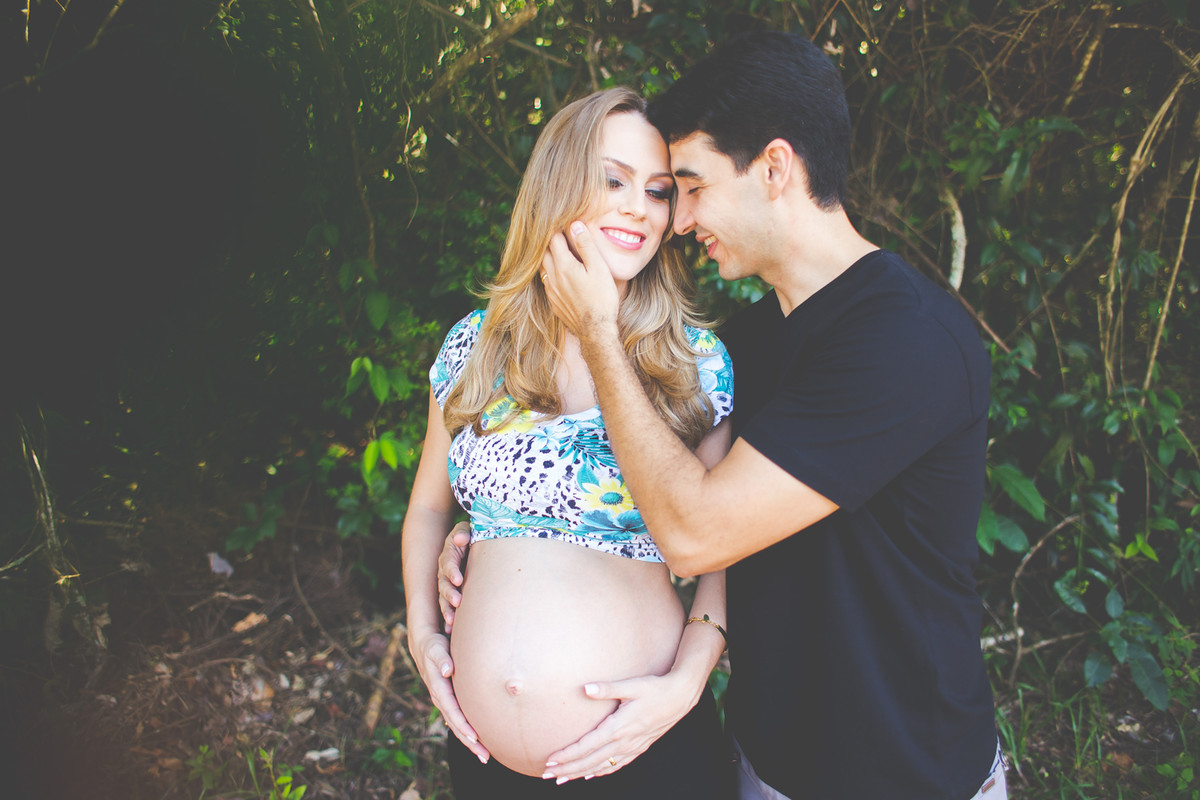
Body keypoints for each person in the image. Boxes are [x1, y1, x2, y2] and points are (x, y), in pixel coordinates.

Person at [531, 31, 1007, 800]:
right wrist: (499, 531)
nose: (678, 221)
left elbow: (693, 532)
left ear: (776, 168)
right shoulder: (746, 344)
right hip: (766, 761)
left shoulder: (907, 340)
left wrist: (598, 333)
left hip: (907, 775)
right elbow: (640, 486)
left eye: (692, 185)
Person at [400, 87, 737, 799]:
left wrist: (687, 681)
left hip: (644, 748)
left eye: (657, 191)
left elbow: (725, 553)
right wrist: (421, 632)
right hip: (489, 762)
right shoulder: (475, 346)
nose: (638, 208)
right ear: (557, 182)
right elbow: (429, 509)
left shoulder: (693, 362)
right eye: (612, 179)